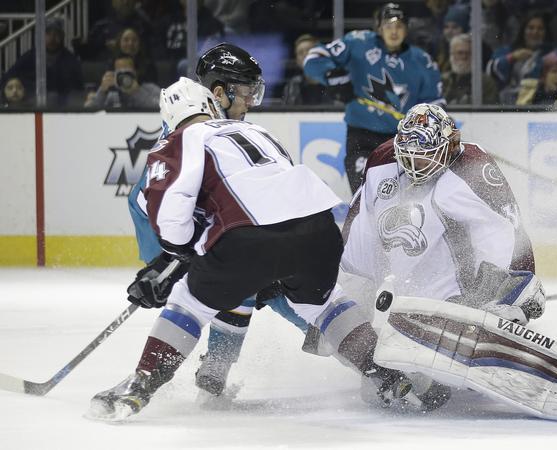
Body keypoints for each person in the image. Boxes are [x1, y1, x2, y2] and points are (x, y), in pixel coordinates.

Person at [87, 46, 433, 421]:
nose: (251, 101)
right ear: (215, 95)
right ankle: (384, 374)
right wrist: (168, 260)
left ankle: (143, 384)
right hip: (315, 232)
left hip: (243, 241)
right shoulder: (255, 131)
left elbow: (169, 210)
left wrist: (176, 253)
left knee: (195, 301)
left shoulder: (180, 140)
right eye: (246, 91)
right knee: (324, 303)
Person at [340, 103, 557, 421]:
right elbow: (359, 230)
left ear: (451, 145)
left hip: (459, 297)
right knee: (384, 392)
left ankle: (480, 334)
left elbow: (506, 231)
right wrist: (346, 296)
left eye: (425, 155)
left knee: (436, 388)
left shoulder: (472, 169)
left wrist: (509, 290)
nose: (415, 164)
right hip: (406, 301)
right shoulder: (382, 163)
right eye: (409, 155)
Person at [303, 2, 445, 194]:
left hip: (402, 141)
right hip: (361, 137)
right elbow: (313, 58)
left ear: (406, 29)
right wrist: (332, 76)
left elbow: (435, 104)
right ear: (379, 27)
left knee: (402, 198)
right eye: (388, 25)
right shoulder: (358, 42)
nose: (393, 31)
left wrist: (430, 129)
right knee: (365, 193)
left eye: (399, 26)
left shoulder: (422, 61)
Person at [3, 16, 83, 107]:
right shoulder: (29, 57)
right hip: (31, 106)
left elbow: (78, 90)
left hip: (62, 109)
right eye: (48, 34)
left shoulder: (71, 61)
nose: (52, 38)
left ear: (62, 37)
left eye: (56, 34)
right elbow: (8, 78)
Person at [486, 11, 556, 104]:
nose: (535, 32)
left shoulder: (553, 54)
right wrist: (512, 57)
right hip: (507, 103)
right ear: (523, 30)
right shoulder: (507, 51)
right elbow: (490, 71)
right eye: (531, 28)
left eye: (540, 29)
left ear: (545, 32)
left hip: (539, 102)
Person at [441, 33, 499, 105]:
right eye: (460, 53)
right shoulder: (442, 80)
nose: (464, 57)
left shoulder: (485, 82)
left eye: (468, 53)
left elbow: (489, 108)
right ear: (452, 54)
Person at [85, 55, 160, 110]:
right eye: (120, 73)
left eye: (127, 73)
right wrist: (102, 91)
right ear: (114, 73)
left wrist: (137, 92)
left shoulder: (151, 89)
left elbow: (162, 108)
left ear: (136, 73)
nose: (124, 78)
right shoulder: (110, 93)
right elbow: (87, 113)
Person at [281, 34, 333, 106]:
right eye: (300, 52)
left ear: (319, 53)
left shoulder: (333, 81)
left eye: (309, 50)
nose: (305, 55)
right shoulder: (292, 86)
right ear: (297, 61)